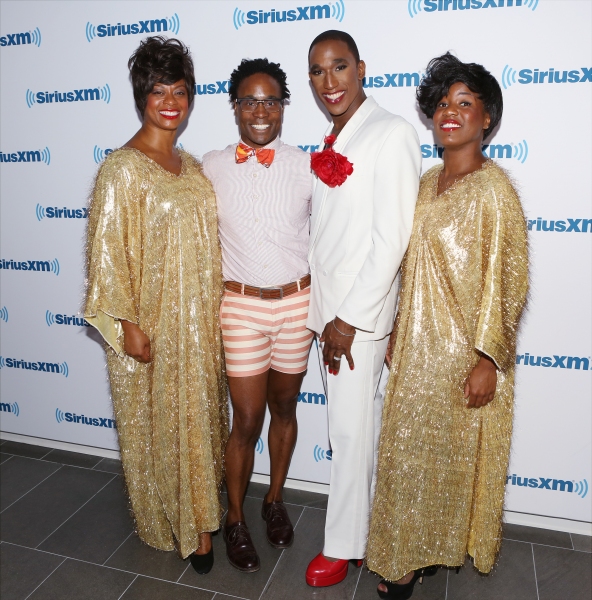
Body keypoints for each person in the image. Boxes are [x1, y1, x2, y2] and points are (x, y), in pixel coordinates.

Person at [366, 53, 529, 599]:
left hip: (464, 357)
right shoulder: (426, 181)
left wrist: (489, 359)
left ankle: (407, 563)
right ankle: (410, 550)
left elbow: (507, 284)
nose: (450, 113)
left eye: (465, 103)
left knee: (446, 464)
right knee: (410, 457)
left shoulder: (495, 190)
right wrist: (393, 329)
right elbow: (411, 265)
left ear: (488, 118)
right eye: (441, 105)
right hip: (415, 348)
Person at [85, 36, 228, 575]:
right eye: (159, 91)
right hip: (154, 325)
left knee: (201, 423)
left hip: (201, 326)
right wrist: (124, 323)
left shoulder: (190, 166)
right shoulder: (122, 169)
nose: (171, 101)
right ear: (141, 96)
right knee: (167, 425)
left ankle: (200, 512)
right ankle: (188, 528)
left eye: (181, 91)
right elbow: (106, 254)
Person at [304, 30, 421, 587]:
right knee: (348, 429)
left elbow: (391, 238)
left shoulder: (391, 133)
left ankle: (344, 546)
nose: (330, 81)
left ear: (361, 69)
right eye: (318, 72)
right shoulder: (335, 137)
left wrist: (349, 320)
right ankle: (360, 532)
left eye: (339, 67)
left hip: (356, 321)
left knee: (351, 433)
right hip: (327, 315)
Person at [202, 58, 313, 573]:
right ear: (235, 107)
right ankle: (234, 518)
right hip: (240, 307)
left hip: (297, 305)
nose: (261, 111)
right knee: (246, 418)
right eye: (251, 100)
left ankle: (274, 501)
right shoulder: (211, 166)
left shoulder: (308, 165)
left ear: (284, 106)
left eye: (271, 100)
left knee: (285, 408)